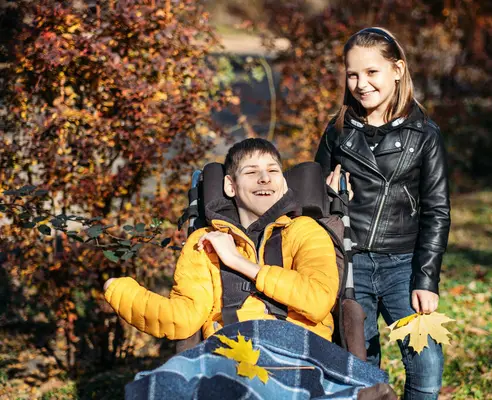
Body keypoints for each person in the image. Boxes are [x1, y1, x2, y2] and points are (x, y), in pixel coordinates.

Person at [103, 138, 395, 399]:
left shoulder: (306, 231)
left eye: (273, 171)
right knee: (157, 387)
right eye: (252, 172)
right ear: (231, 185)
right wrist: (120, 290)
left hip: (302, 347)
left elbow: (317, 300)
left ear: (283, 184)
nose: (265, 179)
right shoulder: (203, 243)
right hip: (231, 347)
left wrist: (239, 263)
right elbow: (183, 319)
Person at [315, 27, 451, 399]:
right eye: (353, 74)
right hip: (350, 266)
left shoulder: (424, 134)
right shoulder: (338, 131)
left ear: (397, 69)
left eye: (372, 72)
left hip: (403, 266)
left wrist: (426, 278)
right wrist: (328, 191)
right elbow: (312, 203)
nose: (361, 84)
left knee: (427, 366)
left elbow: (437, 211)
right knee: (362, 368)